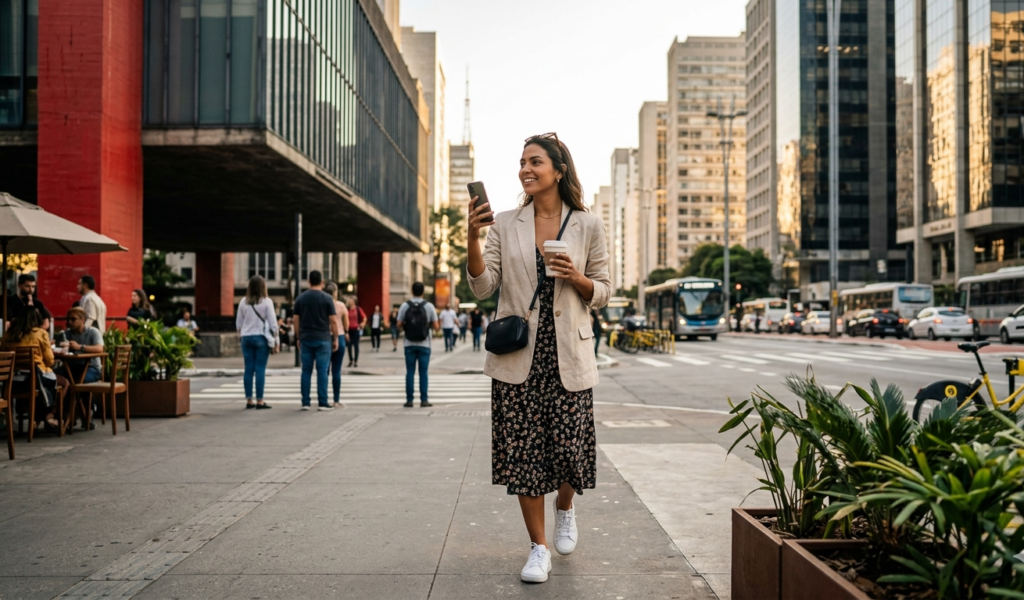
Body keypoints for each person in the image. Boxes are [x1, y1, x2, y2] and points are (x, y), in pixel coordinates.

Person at [466, 132, 610, 583]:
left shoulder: (588, 225)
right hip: (519, 358)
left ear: (558, 170)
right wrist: (473, 237)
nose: (525, 169)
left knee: (569, 451)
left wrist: (578, 278)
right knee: (525, 456)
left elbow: (605, 292)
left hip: (569, 353)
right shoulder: (506, 223)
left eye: (535, 162)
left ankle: (565, 508)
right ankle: (538, 547)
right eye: (522, 163)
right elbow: (483, 286)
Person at [1, 308, 67, 431]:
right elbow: (50, 361)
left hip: (11, 382)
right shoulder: (40, 333)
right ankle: (49, 414)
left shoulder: (8, 335)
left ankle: (38, 417)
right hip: (34, 381)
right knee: (64, 383)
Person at [293, 271, 338, 411]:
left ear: (309, 281)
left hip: (306, 338)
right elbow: (333, 320)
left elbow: (295, 320)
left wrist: (298, 337)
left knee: (306, 370)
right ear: (322, 282)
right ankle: (322, 402)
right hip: (323, 339)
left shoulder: (300, 298)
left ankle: (305, 402)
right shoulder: (327, 298)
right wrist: (335, 338)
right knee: (322, 371)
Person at [235, 275, 279, 410]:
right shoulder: (267, 302)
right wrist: (276, 341)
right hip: (261, 338)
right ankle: (260, 401)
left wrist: (241, 336)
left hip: (246, 338)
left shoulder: (243, 302)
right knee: (260, 369)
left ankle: (249, 400)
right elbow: (273, 324)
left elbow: (238, 324)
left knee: (248, 369)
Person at [397, 282, 439, 408]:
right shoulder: (429, 306)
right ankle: (424, 400)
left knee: (410, 371)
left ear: (411, 291)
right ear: (423, 292)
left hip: (409, 343)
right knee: (423, 372)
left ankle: (409, 400)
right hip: (424, 344)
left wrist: (406, 327)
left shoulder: (405, 306)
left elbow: (398, 324)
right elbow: (436, 326)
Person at [324, 282, 350, 407]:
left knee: (324, 370)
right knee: (336, 370)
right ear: (335, 292)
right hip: (339, 336)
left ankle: (323, 399)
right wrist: (345, 330)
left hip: (325, 337)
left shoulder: (322, 304)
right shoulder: (341, 305)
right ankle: (336, 400)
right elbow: (346, 324)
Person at [64, 307, 104, 384]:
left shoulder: (93, 332)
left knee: (78, 380)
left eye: (73, 319)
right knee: (54, 376)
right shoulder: (67, 334)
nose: (70, 322)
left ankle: (79, 396)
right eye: (68, 319)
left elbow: (99, 348)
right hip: (73, 367)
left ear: (82, 319)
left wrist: (79, 347)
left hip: (92, 368)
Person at [346, 297, 367, 368]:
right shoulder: (347, 309)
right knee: (349, 346)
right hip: (349, 330)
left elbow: (364, 317)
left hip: (356, 329)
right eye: (349, 301)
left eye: (351, 301)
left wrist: (362, 324)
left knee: (356, 346)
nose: (349, 302)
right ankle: (350, 360)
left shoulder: (358, 309)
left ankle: (355, 361)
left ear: (354, 302)